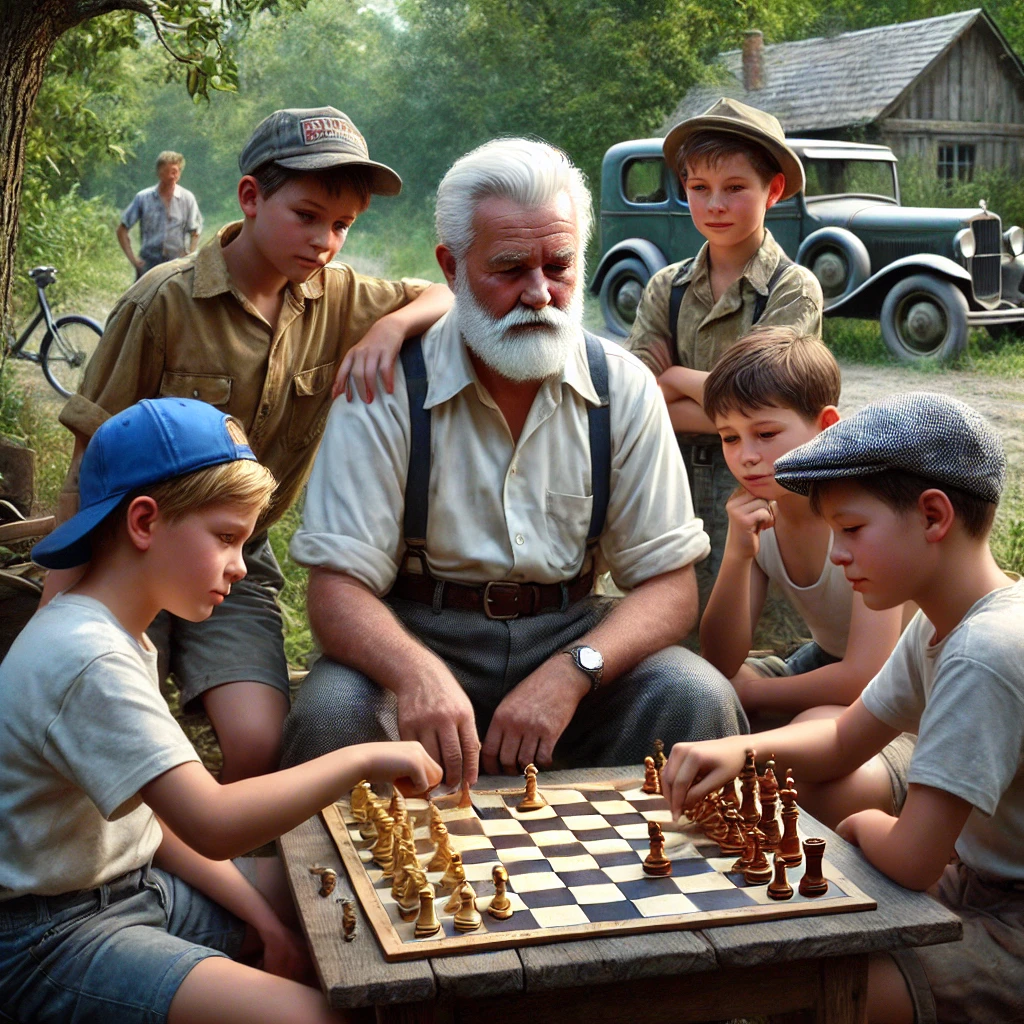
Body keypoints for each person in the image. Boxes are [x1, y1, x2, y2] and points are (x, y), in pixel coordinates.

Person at [280, 138, 746, 785]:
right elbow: (335, 589)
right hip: (416, 634)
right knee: (333, 714)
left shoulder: (621, 385)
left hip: (573, 635)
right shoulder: (387, 386)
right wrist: (417, 676)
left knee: (694, 696)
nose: (539, 293)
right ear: (451, 266)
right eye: (509, 268)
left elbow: (669, 585)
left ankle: (649, 882)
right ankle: (346, 888)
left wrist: (572, 672)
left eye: (559, 266)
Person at [0, 397, 443, 1024]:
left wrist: (261, 917)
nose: (240, 567)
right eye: (227, 538)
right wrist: (365, 755)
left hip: (134, 888)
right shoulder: (86, 656)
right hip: (47, 939)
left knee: (332, 894)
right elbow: (211, 821)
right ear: (145, 522)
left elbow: (160, 824)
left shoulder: (120, 635)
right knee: (325, 1016)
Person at [45, 106, 453, 784]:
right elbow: (87, 462)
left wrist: (389, 329)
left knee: (260, 746)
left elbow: (445, 295)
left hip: (235, 562)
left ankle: (222, 861)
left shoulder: (342, 298)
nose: (325, 240)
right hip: (127, 550)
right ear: (251, 197)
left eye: (344, 225)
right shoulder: (164, 302)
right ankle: (143, 873)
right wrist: (58, 609)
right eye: (308, 215)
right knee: (107, 739)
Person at [662, 392, 1022, 1024]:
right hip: (979, 881)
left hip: (1012, 918)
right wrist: (736, 750)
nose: (836, 555)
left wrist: (857, 828)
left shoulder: (984, 652)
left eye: (852, 529)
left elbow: (912, 857)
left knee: (815, 989)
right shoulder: (941, 627)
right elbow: (841, 742)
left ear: (933, 516)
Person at [625, 98, 824, 603]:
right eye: (699, 188)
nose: (715, 204)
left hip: (760, 492)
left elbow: (767, 407)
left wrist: (674, 383)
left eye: (735, 188)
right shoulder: (665, 288)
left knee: (753, 638)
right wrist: (672, 396)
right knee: (667, 627)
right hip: (671, 487)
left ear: (772, 190)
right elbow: (637, 403)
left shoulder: (792, 289)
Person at [699, 327, 905, 721]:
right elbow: (720, 660)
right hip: (824, 663)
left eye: (765, 434)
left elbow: (867, 675)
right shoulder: (760, 513)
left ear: (826, 426)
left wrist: (755, 693)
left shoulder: (864, 514)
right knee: (700, 690)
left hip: (905, 681)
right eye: (729, 438)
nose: (746, 456)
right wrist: (739, 554)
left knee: (805, 730)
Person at [117, 151, 203, 278]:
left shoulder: (187, 198)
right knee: (143, 298)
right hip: (149, 264)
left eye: (176, 171)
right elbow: (122, 230)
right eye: (169, 171)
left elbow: (195, 231)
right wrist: (134, 260)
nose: (173, 176)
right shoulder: (143, 198)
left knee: (176, 298)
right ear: (159, 172)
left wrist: (189, 258)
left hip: (176, 265)